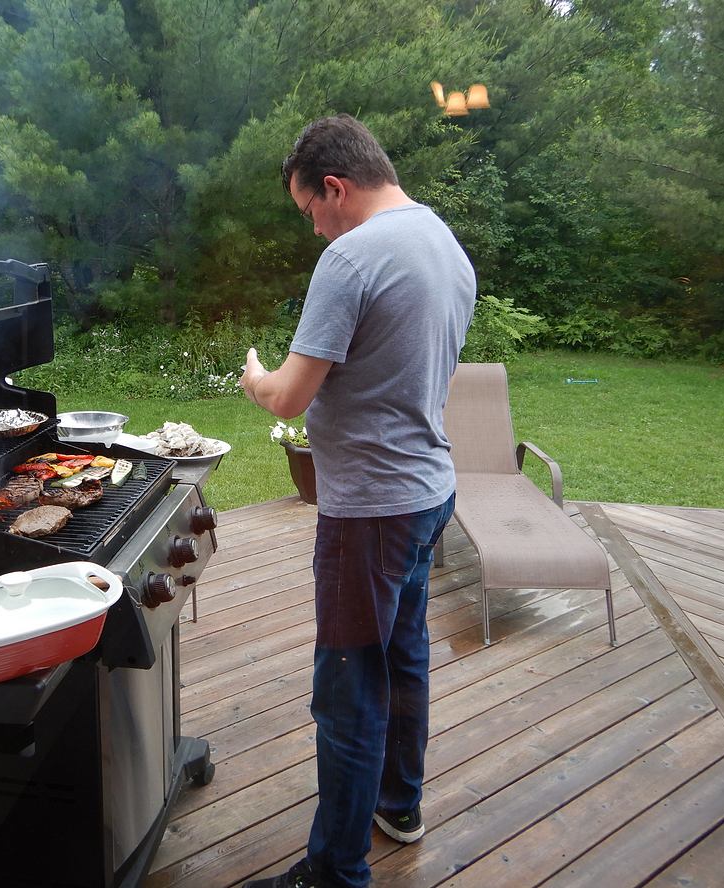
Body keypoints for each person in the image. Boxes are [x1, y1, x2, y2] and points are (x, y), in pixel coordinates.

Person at [238, 114, 476, 888]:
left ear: (335, 187)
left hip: (371, 513)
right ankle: (399, 805)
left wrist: (254, 376)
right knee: (402, 659)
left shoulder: (352, 257)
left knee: (348, 692)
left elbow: (288, 397)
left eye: (310, 209)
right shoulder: (444, 243)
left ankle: (335, 872)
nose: (313, 227)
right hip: (429, 494)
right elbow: (419, 373)